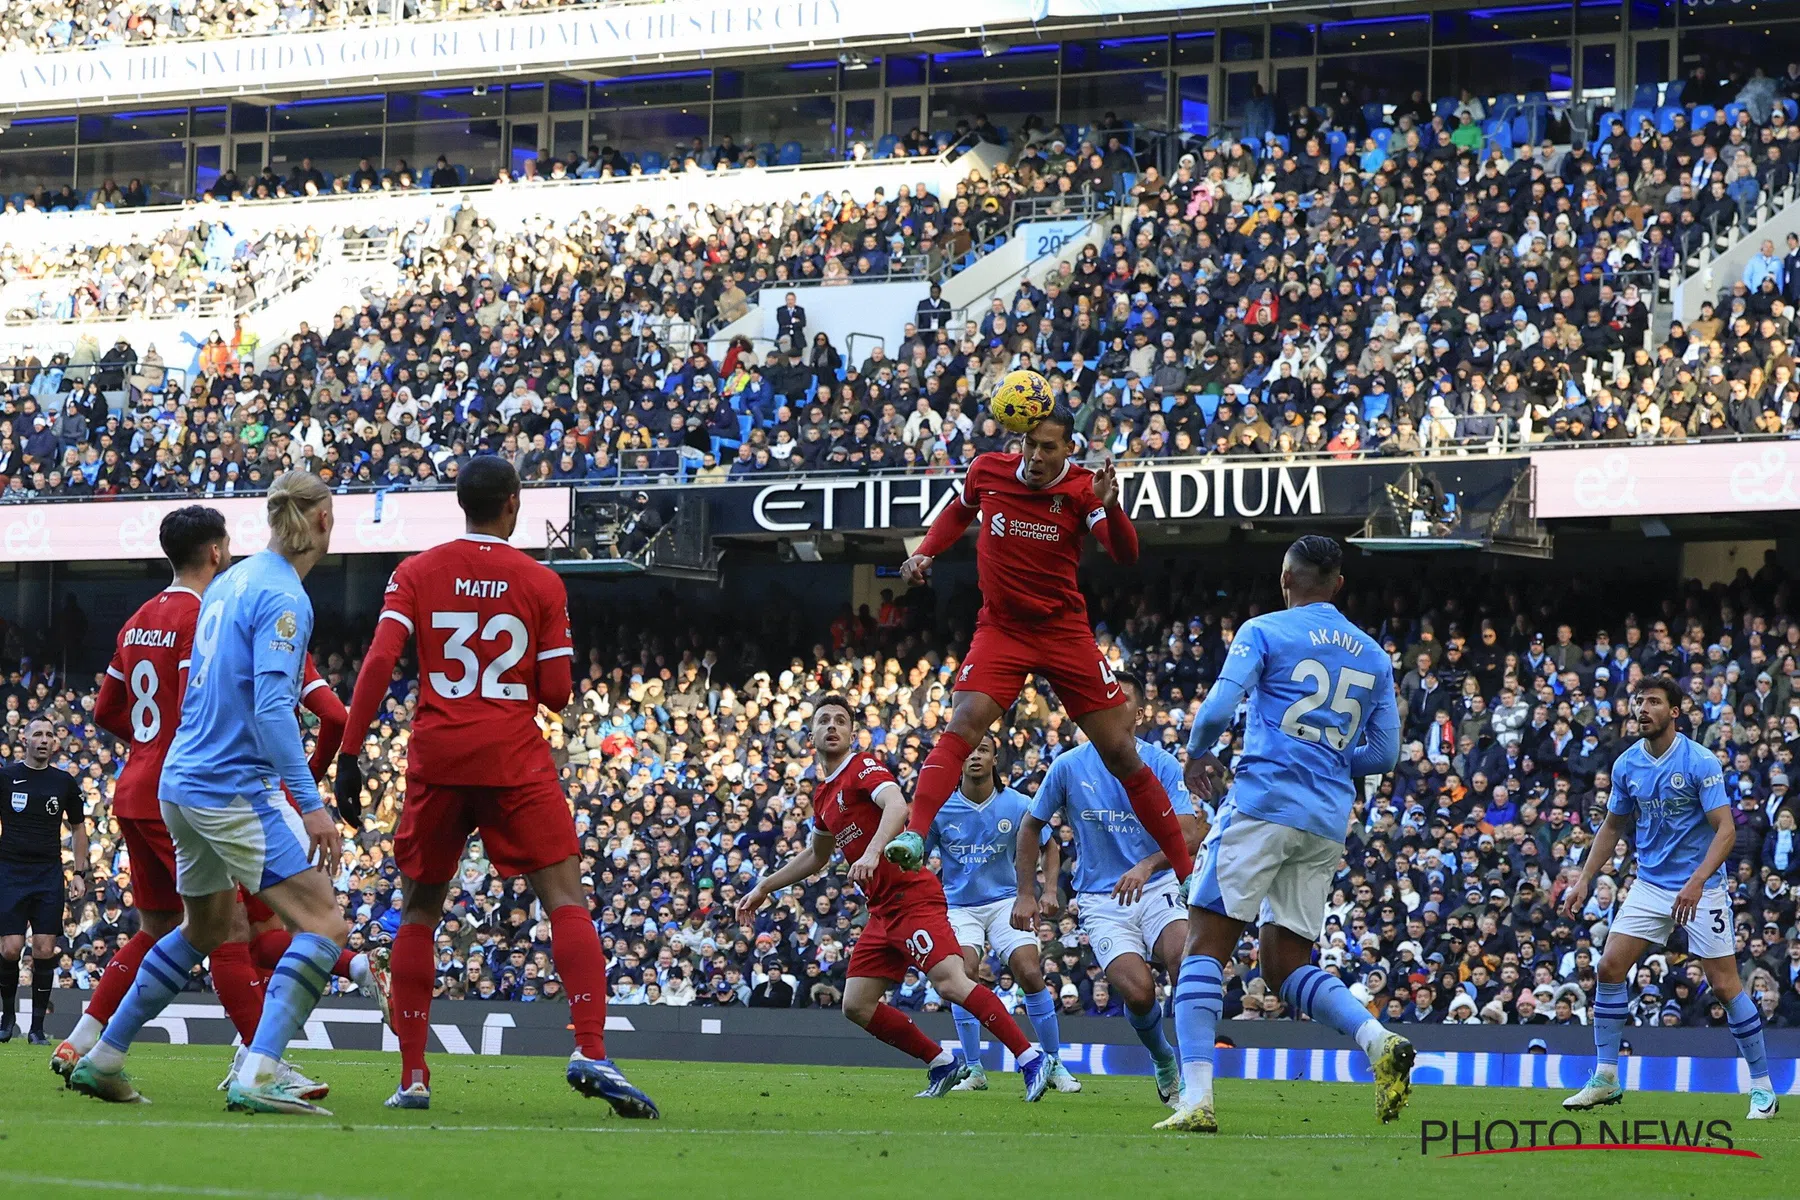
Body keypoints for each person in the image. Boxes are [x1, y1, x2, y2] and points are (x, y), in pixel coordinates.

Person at [335, 455, 657, 1117]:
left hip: (439, 757)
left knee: (421, 910)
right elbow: (558, 694)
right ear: (512, 503)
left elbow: (379, 662)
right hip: (513, 758)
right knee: (565, 900)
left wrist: (348, 752)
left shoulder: (415, 572)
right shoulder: (539, 581)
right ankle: (591, 1049)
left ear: (462, 503)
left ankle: (415, 1076)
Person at [68, 472, 350, 1115]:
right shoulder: (284, 597)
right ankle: (260, 1071)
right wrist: (310, 804)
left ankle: (104, 1056)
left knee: (204, 926)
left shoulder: (230, 583)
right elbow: (278, 708)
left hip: (178, 783)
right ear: (323, 522)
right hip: (232, 788)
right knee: (325, 922)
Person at [883, 406, 1192, 885]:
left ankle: (1185, 869)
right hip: (1002, 629)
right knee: (963, 723)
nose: (1035, 455)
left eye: (1049, 447)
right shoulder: (988, 469)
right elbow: (959, 511)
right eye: (1029, 444)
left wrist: (1110, 505)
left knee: (1121, 753)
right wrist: (926, 549)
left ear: (1070, 448)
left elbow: (1125, 553)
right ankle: (916, 834)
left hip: (1063, 632)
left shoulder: (1083, 489)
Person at [1165, 534, 1409, 1133]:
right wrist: (1327, 760)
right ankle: (1377, 1041)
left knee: (1203, 946)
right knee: (1283, 963)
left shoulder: (1264, 630)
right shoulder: (1373, 654)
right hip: (1325, 822)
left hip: (1263, 805)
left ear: (1286, 579)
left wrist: (1198, 753)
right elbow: (1386, 751)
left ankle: (1196, 1098)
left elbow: (1220, 709)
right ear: (1339, 585)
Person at [736, 696, 1050, 1100]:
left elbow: (898, 805)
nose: (832, 726)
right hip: (882, 910)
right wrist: (764, 887)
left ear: (852, 733)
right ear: (810, 735)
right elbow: (816, 855)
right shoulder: (823, 797)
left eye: (840, 721)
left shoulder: (862, 767)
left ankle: (1030, 1059)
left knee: (952, 983)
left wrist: (872, 851)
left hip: (912, 897)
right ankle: (942, 1063)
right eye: (823, 721)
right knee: (856, 1004)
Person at [1560, 675, 1778, 1120]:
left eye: (1654, 702)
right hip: (1649, 884)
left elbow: (1727, 829)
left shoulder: (1700, 761)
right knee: (1609, 966)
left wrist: (1697, 882)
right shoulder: (1626, 765)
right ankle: (1605, 1077)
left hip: (1701, 889)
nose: (1642, 708)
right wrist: (1584, 878)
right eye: (1639, 701)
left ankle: (1762, 1088)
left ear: (1674, 712)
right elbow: (1614, 827)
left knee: (1724, 985)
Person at [1015, 670, 1202, 1107]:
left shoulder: (1160, 763)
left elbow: (1190, 831)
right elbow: (1031, 825)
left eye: (1120, 702)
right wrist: (1028, 890)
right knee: (1137, 993)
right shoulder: (1068, 766)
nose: (1109, 709)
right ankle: (1163, 1058)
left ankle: (1197, 1076)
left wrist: (1147, 864)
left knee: (1184, 959)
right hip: (1102, 899)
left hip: (1156, 887)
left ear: (1138, 715)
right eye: (1103, 701)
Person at [924, 731, 1078, 1093]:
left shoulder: (1018, 804)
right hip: (959, 906)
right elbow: (917, 856)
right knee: (963, 973)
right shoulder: (940, 807)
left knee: (1028, 969)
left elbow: (1050, 847)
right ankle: (975, 1070)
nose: (975, 756)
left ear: (996, 759)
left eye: (984, 750)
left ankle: (1053, 1063)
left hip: (1006, 901)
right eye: (969, 751)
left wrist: (1049, 891)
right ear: (958, 761)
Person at [0, 718, 85, 1044]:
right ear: (25, 738)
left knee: (45, 948)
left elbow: (78, 828)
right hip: (9, 872)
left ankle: (36, 1028)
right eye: (38, 734)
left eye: (49, 734)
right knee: (10, 950)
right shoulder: (6, 777)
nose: (44, 739)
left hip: (48, 873)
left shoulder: (63, 782)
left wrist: (79, 873)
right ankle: (7, 1017)